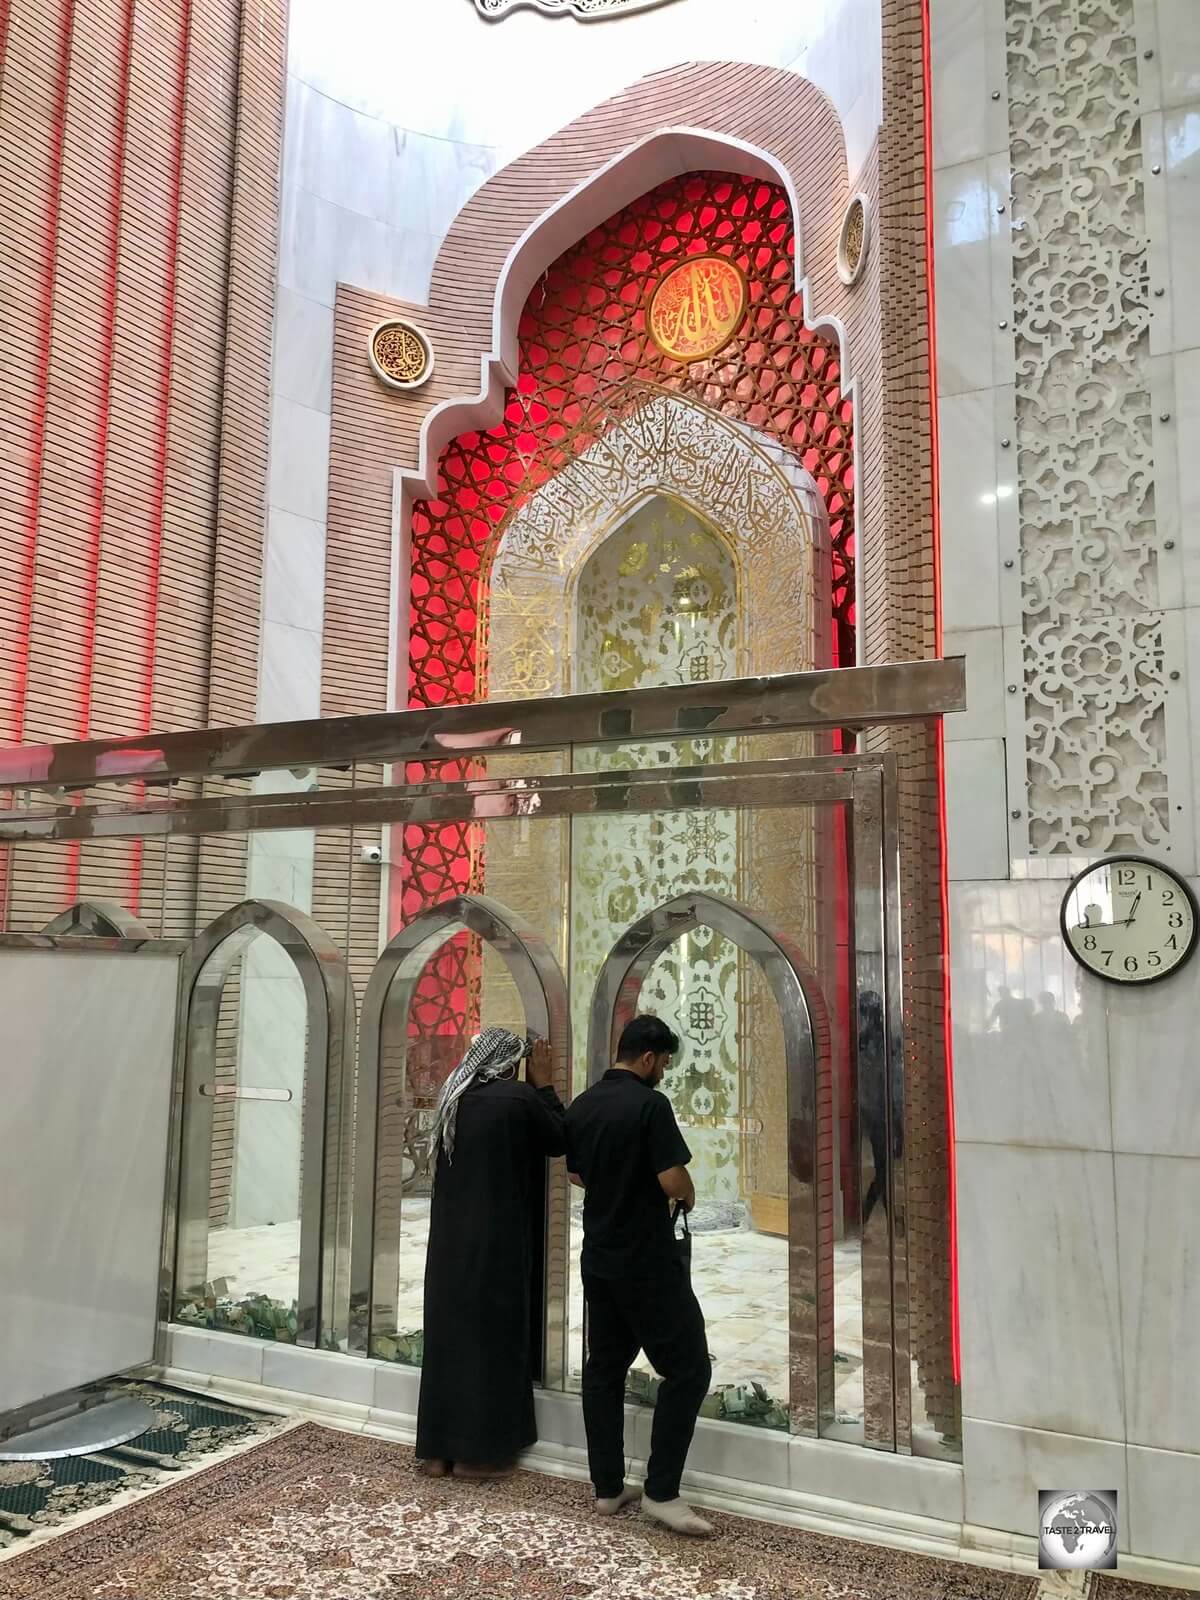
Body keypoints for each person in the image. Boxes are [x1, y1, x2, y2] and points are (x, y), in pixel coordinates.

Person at [565, 1014, 714, 1537]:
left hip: (600, 1258)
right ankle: (661, 1491)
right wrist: (688, 1192)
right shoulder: (650, 1105)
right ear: (648, 1058)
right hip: (647, 1263)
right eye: (665, 1062)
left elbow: (578, 1173)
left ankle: (608, 1489)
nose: (665, 1072)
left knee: (604, 1368)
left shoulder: (583, 1105)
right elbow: (672, 1179)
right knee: (689, 1369)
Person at [415, 1026, 566, 1480]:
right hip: (494, 1242)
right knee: (492, 1339)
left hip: (448, 1245)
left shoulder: (455, 1096)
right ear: (509, 1063)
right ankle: (479, 1454)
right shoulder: (517, 1099)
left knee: (448, 1340)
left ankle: (438, 1453)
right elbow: (560, 1138)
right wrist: (546, 1085)